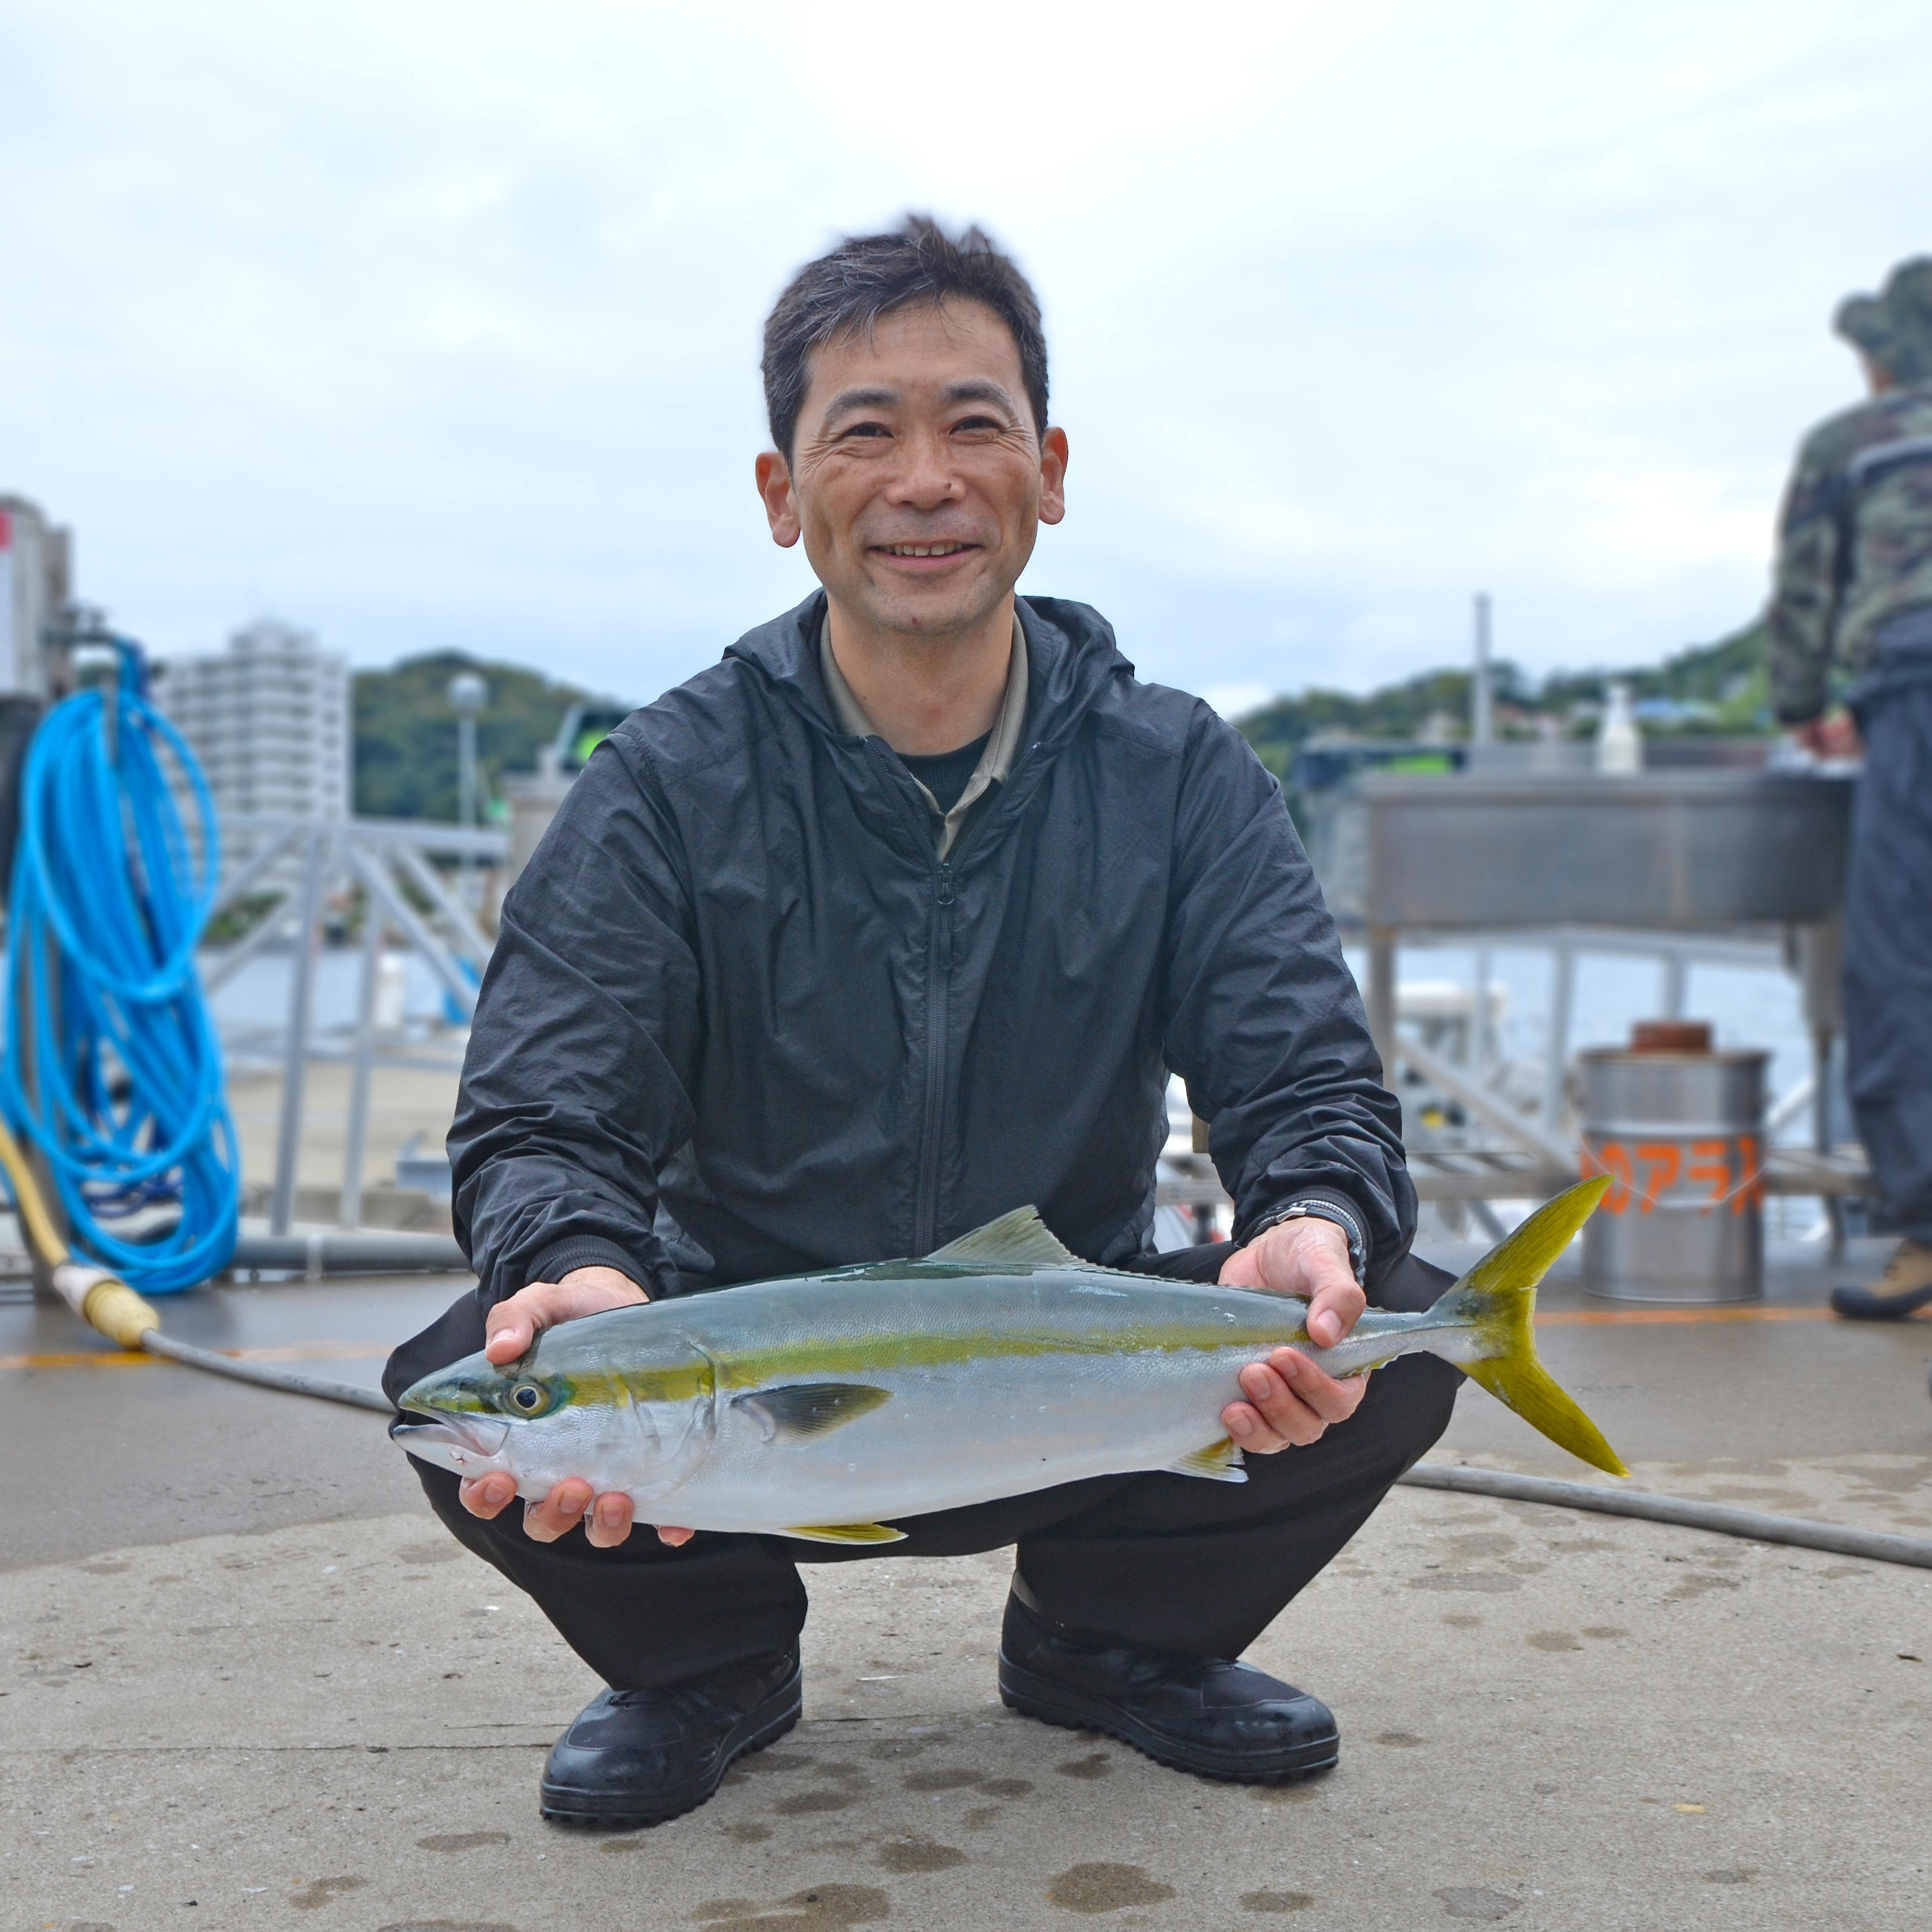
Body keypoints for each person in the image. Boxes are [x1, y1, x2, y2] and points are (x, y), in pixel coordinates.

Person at [386, 216, 1459, 1827]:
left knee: (1398, 1331)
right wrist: (571, 1272)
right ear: (779, 492)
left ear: (1050, 468)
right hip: (736, 1385)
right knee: (466, 1381)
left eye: (974, 424)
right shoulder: (665, 785)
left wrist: (1312, 1219)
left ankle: (1109, 1642)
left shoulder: (1175, 774)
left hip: (1070, 1368)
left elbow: (1304, 1071)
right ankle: (708, 1660)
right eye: (863, 432)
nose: (925, 480)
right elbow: (547, 1109)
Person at [1763, 258, 1932, 1319]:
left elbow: (1803, 588)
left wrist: (1803, 709)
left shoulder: (1852, 440)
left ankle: (1922, 1233)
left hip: (1915, 690)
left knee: (1898, 964)